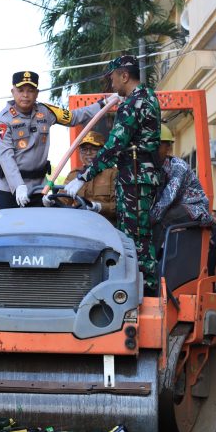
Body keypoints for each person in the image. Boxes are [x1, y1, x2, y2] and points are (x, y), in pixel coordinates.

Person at [64, 55, 161, 292]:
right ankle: (140, 289)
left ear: (124, 76)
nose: (112, 84)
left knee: (134, 240)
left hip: (134, 179)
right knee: (139, 237)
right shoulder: (148, 97)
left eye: (113, 78)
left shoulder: (133, 103)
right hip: (139, 178)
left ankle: (143, 293)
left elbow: (114, 145)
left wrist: (83, 177)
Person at [0, 70, 108, 209]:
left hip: (39, 188)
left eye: (30, 90)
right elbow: (5, 156)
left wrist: (102, 104)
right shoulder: (3, 120)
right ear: (13, 92)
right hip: (10, 190)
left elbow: (73, 117)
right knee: (9, 223)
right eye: (21, 90)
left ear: (37, 93)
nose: (25, 95)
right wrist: (18, 185)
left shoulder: (46, 112)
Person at [150, 124, 211, 252]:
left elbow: (167, 198)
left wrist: (149, 219)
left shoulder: (178, 167)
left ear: (168, 147)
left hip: (194, 207)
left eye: (157, 145)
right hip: (176, 206)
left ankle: (149, 259)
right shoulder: (153, 167)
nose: (152, 149)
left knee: (163, 219)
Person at [52, 132, 117, 223]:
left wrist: (99, 207)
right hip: (80, 225)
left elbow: (120, 207)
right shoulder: (74, 175)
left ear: (103, 151)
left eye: (94, 149)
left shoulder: (113, 173)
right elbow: (63, 201)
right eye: (84, 149)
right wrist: (52, 202)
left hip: (106, 226)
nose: (88, 153)